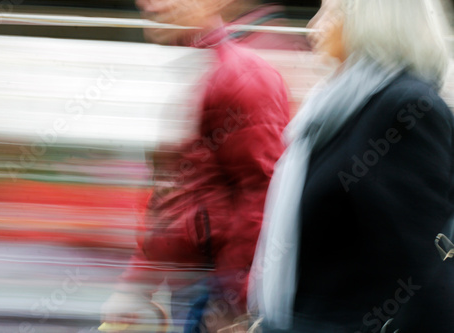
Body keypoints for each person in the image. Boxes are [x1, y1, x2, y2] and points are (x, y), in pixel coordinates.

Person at [249, 0, 454, 332]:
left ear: (371, 20)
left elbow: (424, 267)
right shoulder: (333, 112)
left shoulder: (406, 109)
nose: (314, 23)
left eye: (330, 11)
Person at [101, 0, 291, 332]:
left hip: (213, 292)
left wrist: (236, 305)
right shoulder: (197, 70)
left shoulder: (243, 77)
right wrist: (137, 284)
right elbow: (175, 197)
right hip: (195, 289)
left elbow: (261, 195)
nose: (150, 4)